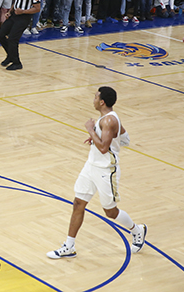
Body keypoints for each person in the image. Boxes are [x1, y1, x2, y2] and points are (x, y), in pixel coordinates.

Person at [46, 86, 147, 259]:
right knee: (78, 203)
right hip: (91, 166)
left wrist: (91, 130)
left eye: (95, 97)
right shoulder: (110, 119)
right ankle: (69, 246)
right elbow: (124, 138)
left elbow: (103, 148)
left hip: (106, 170)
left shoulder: (108, 121)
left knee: (110, 211)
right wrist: (96, 137)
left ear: (101, 102)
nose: (93, 99)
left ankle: (137, 230)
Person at [0, 0, 40, 71]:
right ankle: (10, 56)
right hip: (14, 15)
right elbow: (16, 1)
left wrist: (23, 12)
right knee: (0, 34)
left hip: (24, 17)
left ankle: (17, 62)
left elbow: (37, 8)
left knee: (12, 39)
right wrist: (9, 11)